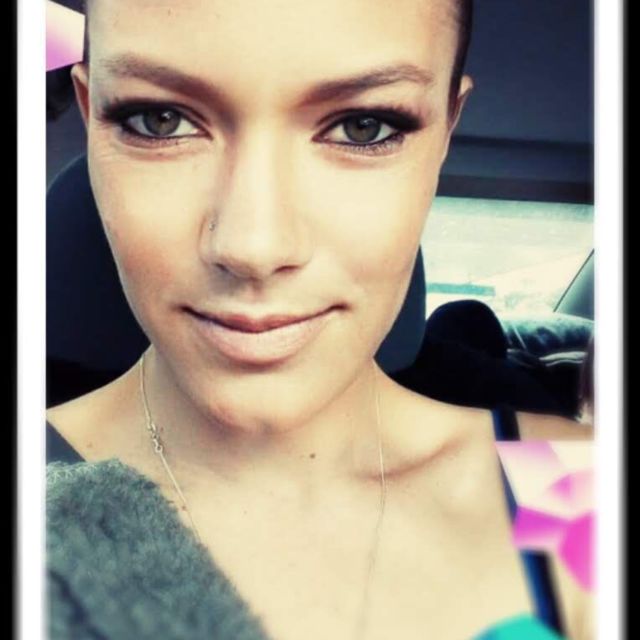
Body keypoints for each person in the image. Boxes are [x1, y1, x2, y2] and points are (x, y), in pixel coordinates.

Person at [46, 1, 594, 638]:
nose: (254, 248)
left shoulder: (576, 485)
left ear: (445, 133)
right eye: (158, 119)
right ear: (91, 115)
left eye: (363, 127)